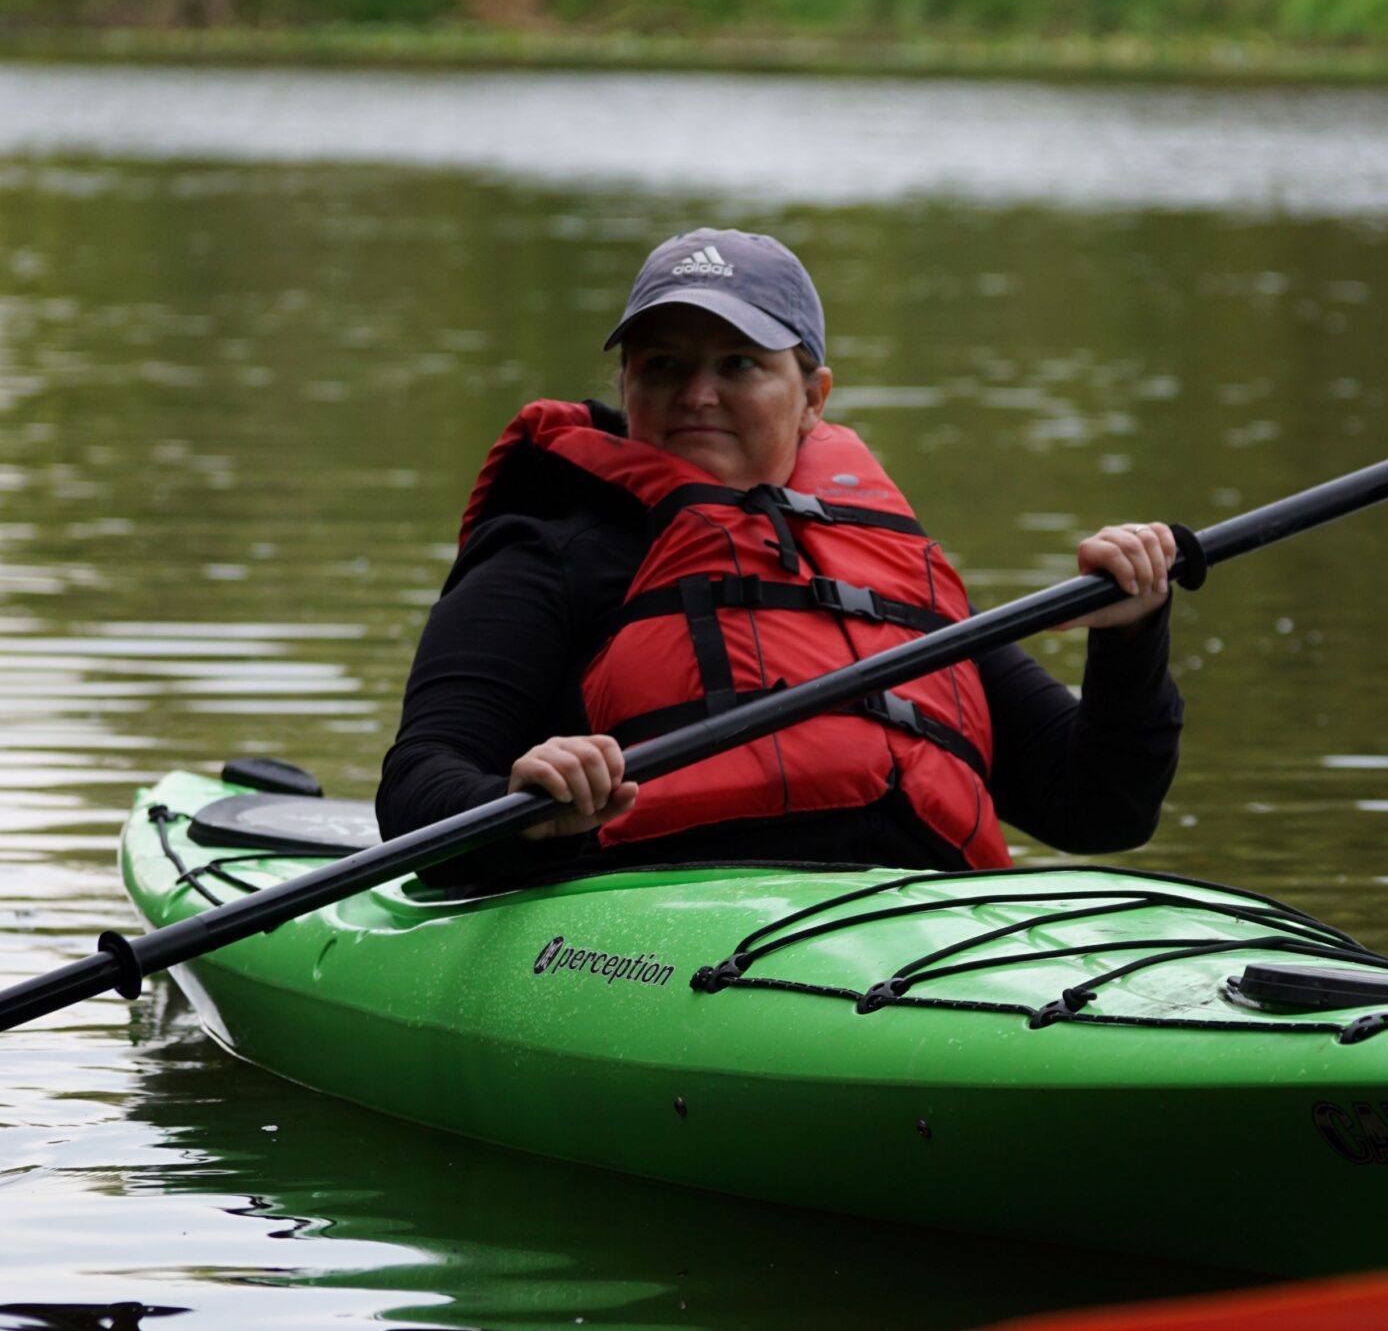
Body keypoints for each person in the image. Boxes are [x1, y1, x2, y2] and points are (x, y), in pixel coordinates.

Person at [379, 228, 1183, 886]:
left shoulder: (888, 573)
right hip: (656, 941)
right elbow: (418, 783)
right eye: (664, 365)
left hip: (916, 938)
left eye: (739, 365)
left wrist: (1130, 633)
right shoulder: (550, 552)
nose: (697, 394)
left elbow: (1101, 808)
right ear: (625, 387)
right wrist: (529, 803)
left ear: (813, 398)